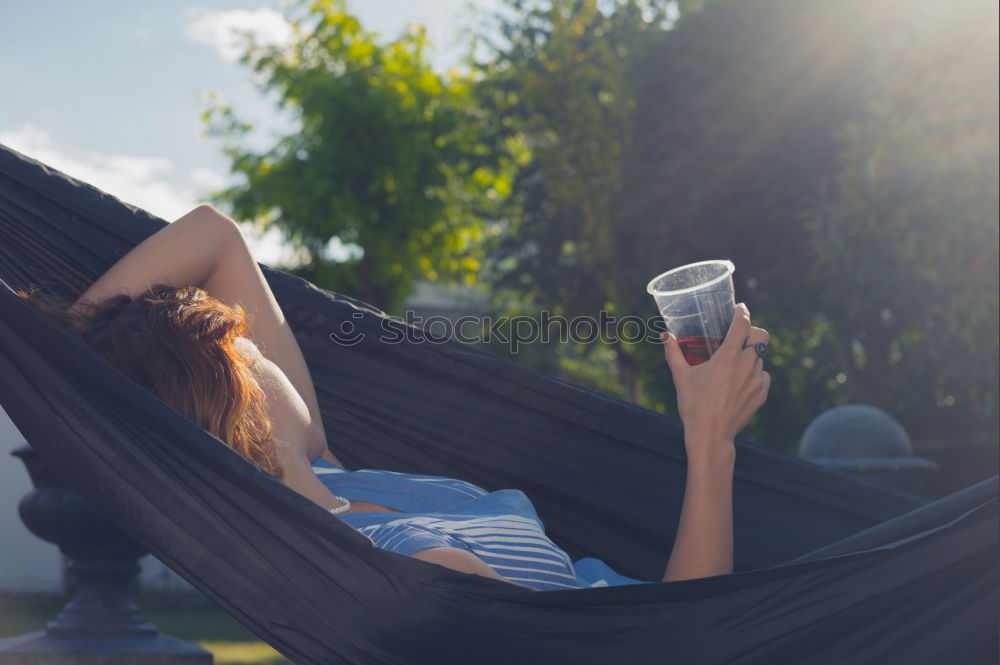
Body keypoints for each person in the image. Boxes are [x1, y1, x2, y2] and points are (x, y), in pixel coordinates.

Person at [17, 204, 770, 591]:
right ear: (244, 395)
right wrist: (711, 443)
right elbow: (670, 644)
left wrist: (67, 349)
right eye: (245, 344)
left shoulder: (341, 480)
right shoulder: (403, 562)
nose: (263, 343)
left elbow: (215, 236)